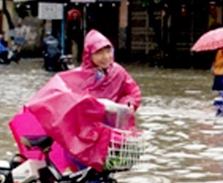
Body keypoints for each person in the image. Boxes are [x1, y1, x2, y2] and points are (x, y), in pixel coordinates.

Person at [19, 29, 141, 173]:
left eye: (108, 51)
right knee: (84, 174)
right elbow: (62, 98)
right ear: (89, 55)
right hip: (82, 135)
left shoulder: (118, 72)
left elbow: (132, 92)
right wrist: (93, 105)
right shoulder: (78, 77)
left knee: (105, 172)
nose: (105, 57)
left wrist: (128, 104)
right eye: (99, 53)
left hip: (108, 132)